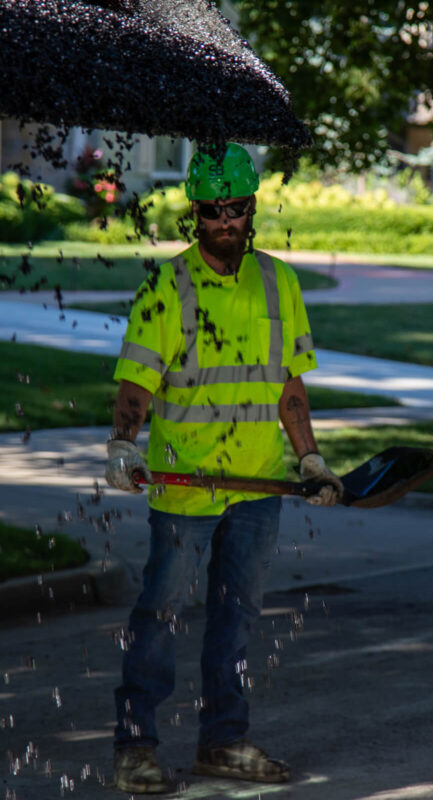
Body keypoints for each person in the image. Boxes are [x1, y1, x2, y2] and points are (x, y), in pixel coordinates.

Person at [104, 143, 343, 794]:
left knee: (236, 620)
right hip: (186, 489)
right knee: (159, 615)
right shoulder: (168, 285)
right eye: (211, 212)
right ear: (195, 214)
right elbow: (137, 381)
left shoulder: (279, 282)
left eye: (235, 209)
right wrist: (123, 442)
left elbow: (288, 383)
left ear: (252, 207)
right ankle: (135, 747)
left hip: (257, 485)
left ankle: (224, 741)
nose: (224, 222)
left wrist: (310, 457)